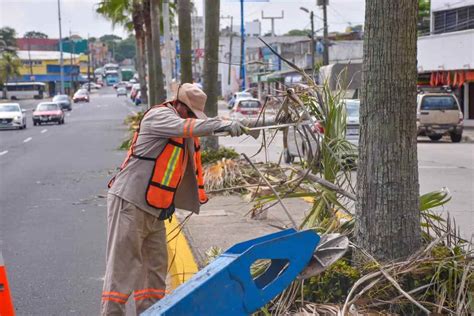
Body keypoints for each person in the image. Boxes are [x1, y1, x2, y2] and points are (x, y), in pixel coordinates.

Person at [101, 83, 245, 315]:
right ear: (178, 104)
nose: (191, 118)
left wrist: (168, 201)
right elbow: (186, 127)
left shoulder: (180, 127)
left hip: (155, 207)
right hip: (130, 202)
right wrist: (222, 124)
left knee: (154, 270)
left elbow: (175, 169)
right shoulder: (160, 117)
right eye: (190, 113)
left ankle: (150, 312)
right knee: (122, 270)